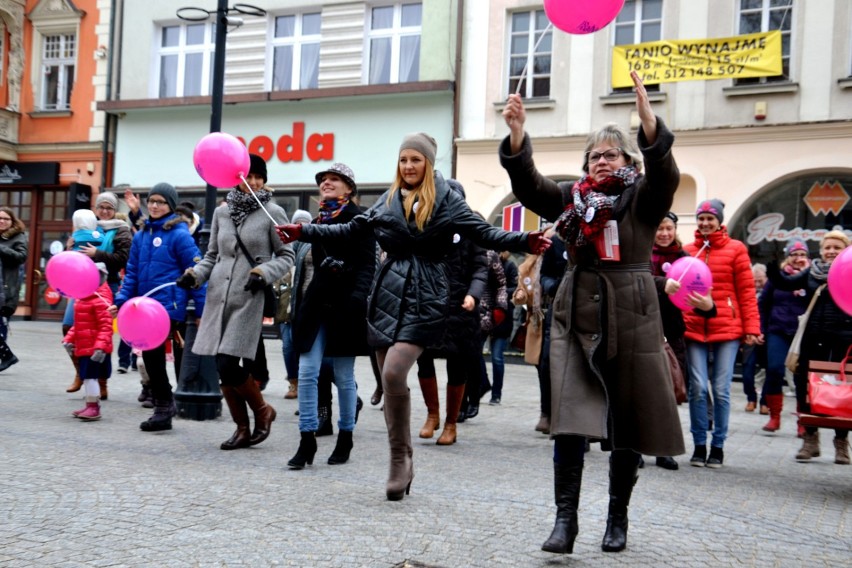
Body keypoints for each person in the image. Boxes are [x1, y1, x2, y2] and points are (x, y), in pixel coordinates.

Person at [276, 132, 550, 500]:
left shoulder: (447, 201)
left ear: (428, 163)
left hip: (428, 295)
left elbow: (484, 232)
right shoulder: (387, 200)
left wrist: (525, 241)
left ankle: (399, 458)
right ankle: (401, 457)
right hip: (386, 294)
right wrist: (303, 231)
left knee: (393, 371)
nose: (408, 166)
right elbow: (351, 228)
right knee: (391, 383)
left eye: (415, 160)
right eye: (404, 160)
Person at [499, 70, 684, 554]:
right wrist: (518, 135)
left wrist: (649, 124)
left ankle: (616, 519)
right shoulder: (571, 198)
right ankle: (566, 521)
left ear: (627, 160)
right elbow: (530, 187)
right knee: (570, 417)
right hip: (576, 311)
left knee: (627, 421)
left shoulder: (643, 196)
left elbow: (666, 174)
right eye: (595, 155)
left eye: (612, 154)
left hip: (633, 313)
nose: (602, 161)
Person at [177, 155, 293, 450]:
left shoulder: (273, 212)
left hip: (248, 297)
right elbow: (212, 255)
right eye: (248, 177)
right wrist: (195, 276)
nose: (253, 183)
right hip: (218, 296)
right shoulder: (221, 214)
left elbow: (286, 257)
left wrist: (263, 273)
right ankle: (242, 429)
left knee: (229, 360)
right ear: (237, 179)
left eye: (259, 177)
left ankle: (262, 411)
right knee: (221, 365)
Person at [286, 163, 376, 468]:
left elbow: (367, 266)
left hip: (346, 306)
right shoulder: (315, 221)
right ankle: (307, 439)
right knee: (308, 371)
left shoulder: (360, 220)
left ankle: (345, 435)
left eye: (334, 179)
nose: (327, 183)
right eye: (323, 179)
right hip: (317, 303)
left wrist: (356, 297)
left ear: (349, 188)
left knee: (343, 376)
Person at [109, 183, 207, 432]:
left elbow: (195, 272)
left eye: (160, 202)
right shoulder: (141, 234)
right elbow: (131, 272)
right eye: (151, 201)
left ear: (170, 206)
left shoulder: (180, 234)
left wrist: (201, 309)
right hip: (145, 307)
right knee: (151, 359)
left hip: (169, 304)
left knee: (154, 355)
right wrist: (120, 301)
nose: (153, 205)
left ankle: (164, 406)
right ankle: (164, 404)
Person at [679, 198, 760, 469]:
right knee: (698, 388)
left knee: (722, 390)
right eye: (701, 218)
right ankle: (699, 444)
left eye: (710, 218)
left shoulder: (736, 249)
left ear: (719, 221)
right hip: (693, 327)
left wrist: (751, 328)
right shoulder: (687, 250)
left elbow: (747, 292)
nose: (704, 223)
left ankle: (718, 446)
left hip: (727, 327)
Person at [767, 230, 851, 465]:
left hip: (844, 340)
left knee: (842, 391)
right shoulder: (813, 271)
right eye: (827, 247)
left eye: (837, 247)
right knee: (807, 388)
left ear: (845, 249)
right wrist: (774, 267)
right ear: (821, 250)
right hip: (813, 337)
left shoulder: (850, 270)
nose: (831, 251)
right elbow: (786, 282)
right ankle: (810, 440)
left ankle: (841, 443)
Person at [416, 178, 488, 445]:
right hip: (431, 305)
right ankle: (432, 415)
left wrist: (473, 294)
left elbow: (481, 267)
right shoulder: (430, 225)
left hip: (461, 306)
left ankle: (450, 424)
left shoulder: (471, 228)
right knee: (423, 358)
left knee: (457, 365)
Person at [650, 212, 716, 471]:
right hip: (641, 328)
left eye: (668, 228)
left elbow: (699, 299)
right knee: (640, 390)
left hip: (672, 332)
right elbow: (635, 279)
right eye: (659, 228)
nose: (664, 233)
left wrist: (708, 306)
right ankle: (635, 447)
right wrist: (662, 283)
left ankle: (663, 449)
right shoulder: (641, 253)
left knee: (668, 391)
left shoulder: (686, 259)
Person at [758, 238, 809, 433]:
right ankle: (774, 417)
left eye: (802, 254)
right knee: (774, 370)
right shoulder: (777, 278)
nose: (798, 258)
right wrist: (761, 329)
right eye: (794, 255)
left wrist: (805, 276)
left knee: (800, 377)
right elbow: (763, 304)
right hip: (777, 330)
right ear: (787, 258)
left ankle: (801, 421)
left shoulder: (812, 276)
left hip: (802, 334)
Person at [63, 263, 113, 421]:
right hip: (84, 346)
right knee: (86, 376)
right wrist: (69, 339)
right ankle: (89, 404)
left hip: (94, 349)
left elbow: (106, 327)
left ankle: (93, 407)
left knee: (90, 377)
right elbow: (78, 324)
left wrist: (100, 347)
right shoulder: (83, 298)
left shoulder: (100, 301)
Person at [277, 208, 313, 400]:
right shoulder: (285, 248)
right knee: (288, 347)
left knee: (305, 349)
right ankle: (294, 382)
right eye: (297, 223)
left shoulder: (313, 246)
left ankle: (307, 387)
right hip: (285, 305)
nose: (301, 227)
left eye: (304, 223)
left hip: (304, 305)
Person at [489, 251, 518, 405]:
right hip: (484, 315)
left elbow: (515, 288)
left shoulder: (509, 266)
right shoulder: (485, 264)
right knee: (475, 355)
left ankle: (496, 394)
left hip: (502, 317)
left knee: (497, 357)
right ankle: (483, 385)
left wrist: (498, 293)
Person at [741, 263, 768, 412]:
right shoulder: (746, 291)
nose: (757, 284)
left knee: (770, 370)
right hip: (749, 338)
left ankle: (765, 401)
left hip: (765, 336)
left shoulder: (770, 292)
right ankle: (751, 398)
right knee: (747, 372)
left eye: (760, 281)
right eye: (754, 281)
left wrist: (762, 332)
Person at [0, 207, 28, 343]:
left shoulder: (18, 237)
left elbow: (21, 257)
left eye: (6, 219)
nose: (2, 221)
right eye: (0, 218)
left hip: (5, 291)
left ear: (12, 221)